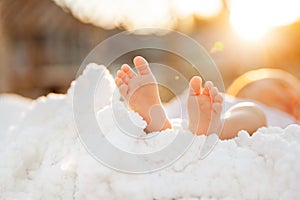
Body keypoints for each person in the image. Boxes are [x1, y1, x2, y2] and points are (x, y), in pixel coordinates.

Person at [115, 56, 269, 139]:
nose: (291, 95)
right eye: (281, 85)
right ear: (241, 92)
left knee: (255, 112)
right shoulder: (227, 100)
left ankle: (213, 127)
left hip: (206, 115)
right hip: (190, 113)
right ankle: (157, 121)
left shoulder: (284, 117)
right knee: (253, 109)